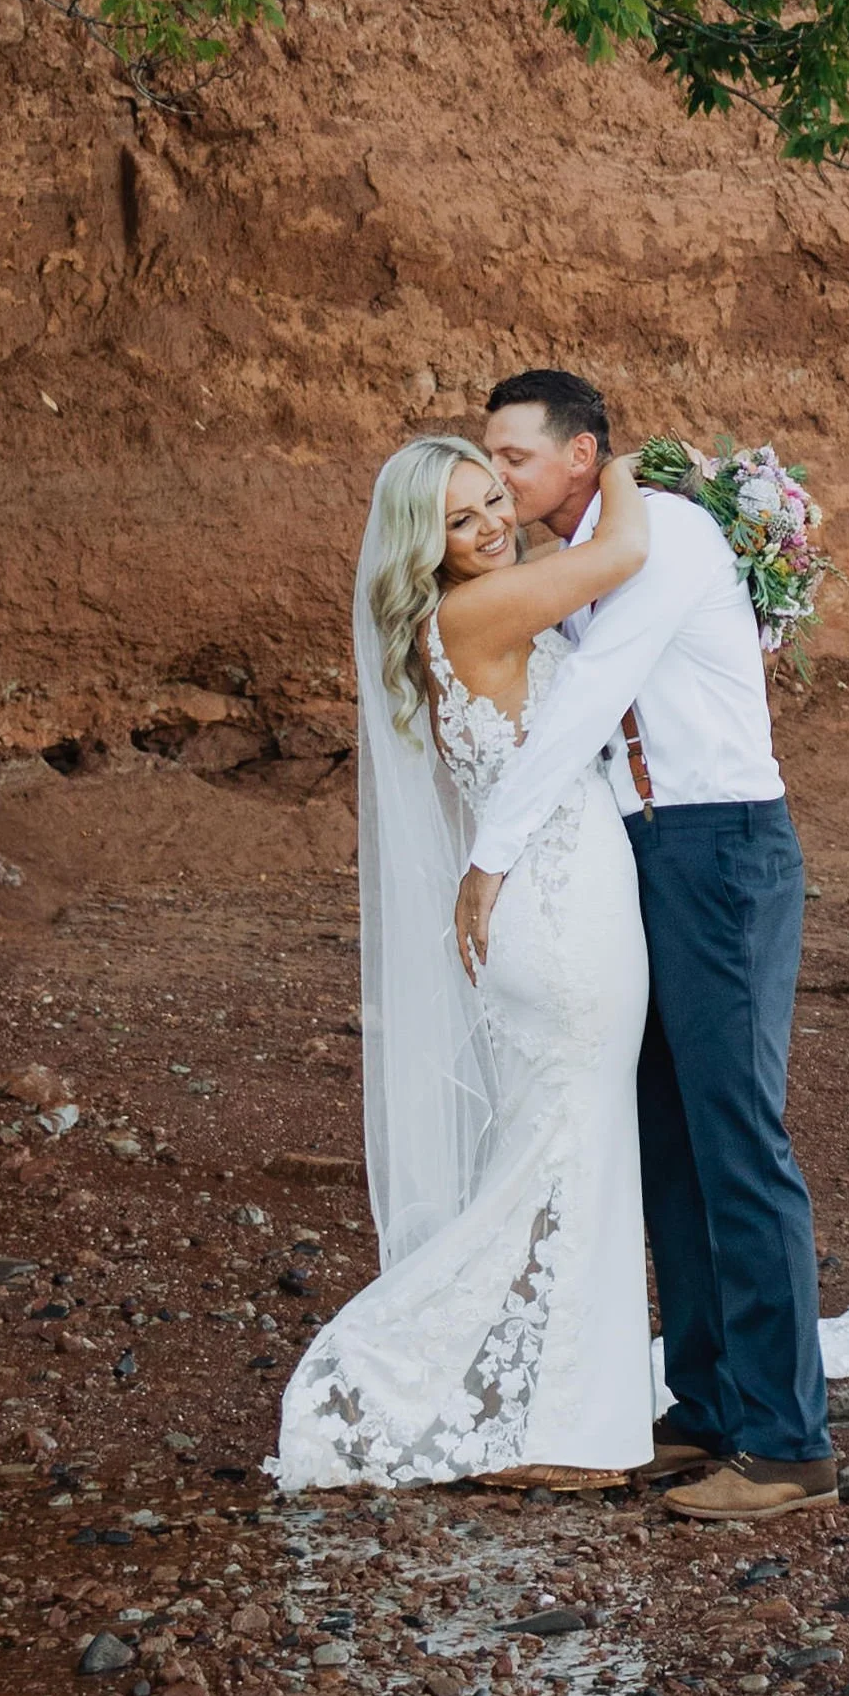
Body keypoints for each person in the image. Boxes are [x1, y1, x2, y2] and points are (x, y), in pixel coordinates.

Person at [463, 370, 833, 1523]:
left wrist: (495, 851)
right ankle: (711, 1404)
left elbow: (595, 697)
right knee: (667, 1134)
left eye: (513, 458)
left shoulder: (663, 536)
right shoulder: (583, 556)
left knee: (737, 1138)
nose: (497, 478)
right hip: (652, 855)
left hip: (722, 848)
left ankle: (789, 1447)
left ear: (580, 457)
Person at [269, 430, 657, 1493]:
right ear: (424, 544)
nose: (491, 522)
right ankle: (421, 1378)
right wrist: (619, 461)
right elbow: (623, 554)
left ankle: (563, 1406)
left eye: (495, 499)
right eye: (462, 517)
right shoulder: (480, 609)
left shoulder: (475, 611)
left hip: (556, 906)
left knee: (564, 1155)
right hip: (561, 912)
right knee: (566, 1158)